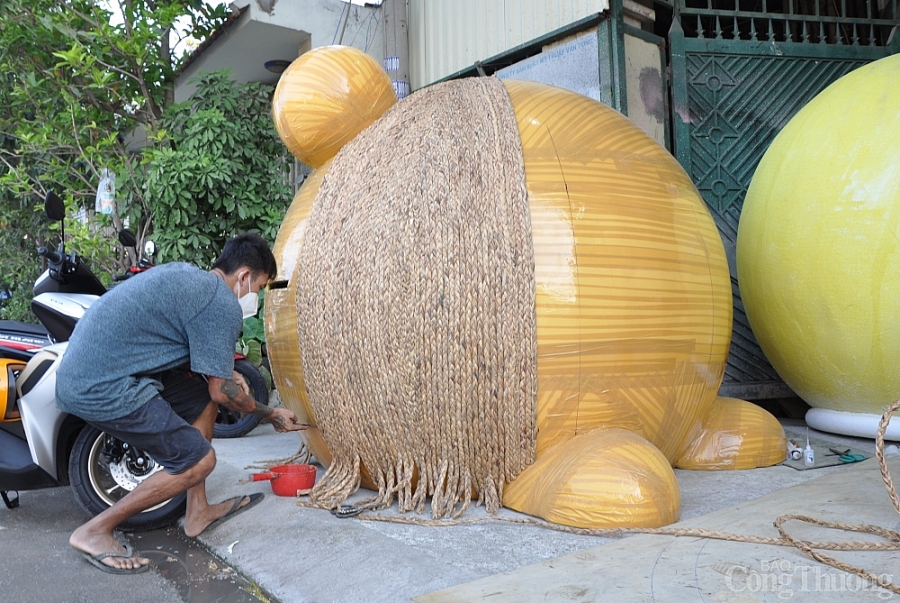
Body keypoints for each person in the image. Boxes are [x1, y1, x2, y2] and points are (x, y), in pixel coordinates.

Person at [55, 232, 305, 574]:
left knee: (201, 398)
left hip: (93, 370)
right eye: (259, 288)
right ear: (245, 276)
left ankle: (197, 511)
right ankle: (95, 530)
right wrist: (271, 412)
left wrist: (225, 371)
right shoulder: (221, 303)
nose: (255, 298)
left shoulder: (192, 279)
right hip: (102, 384)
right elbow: (224, 393)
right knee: (200, 462)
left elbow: (205, 377)